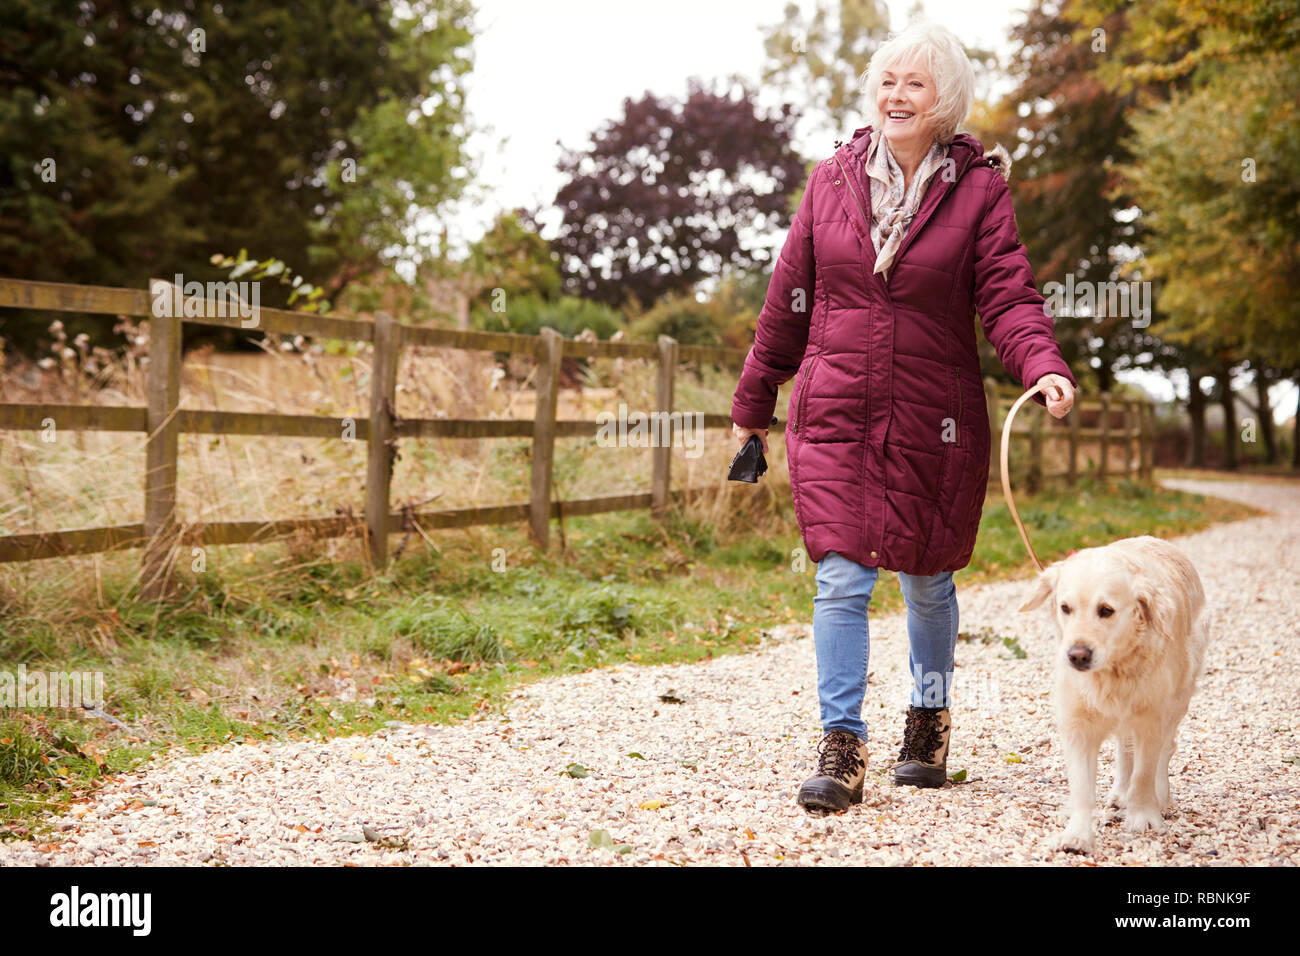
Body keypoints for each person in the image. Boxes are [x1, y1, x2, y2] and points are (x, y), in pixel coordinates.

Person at [729, 20, 1077, 813]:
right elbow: (787, 300)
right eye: (887, 81)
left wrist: (1044, 366)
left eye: (914, 84)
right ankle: (841, 742)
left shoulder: (981, 191)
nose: (896, 95)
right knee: (842, 576)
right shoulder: (831, 182)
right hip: (837, 413)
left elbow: (1009, 297)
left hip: (932, 418)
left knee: (926, 578)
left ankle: (927, 720)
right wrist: (753, 404)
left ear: (945, 99)